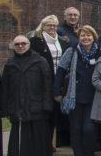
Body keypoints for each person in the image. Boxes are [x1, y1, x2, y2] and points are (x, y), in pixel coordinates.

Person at [0, 35, 53, 156]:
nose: (20, 46)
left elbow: (47, 84)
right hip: (17, 105)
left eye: (23, 43)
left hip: (35, 104)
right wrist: (5, 108)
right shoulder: (10, 63)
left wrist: (47, 105)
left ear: (28, 45)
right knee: (18, 135)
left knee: (35, 136)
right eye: (17, 44)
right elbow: (5, 87)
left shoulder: (40, 61)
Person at [54, 26, 101, 156]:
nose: (86, 38)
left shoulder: (100, 52)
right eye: (83, 36)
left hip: (93, 97)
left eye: (88, 35)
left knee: (89, 130)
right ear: (79, 37)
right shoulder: (72, 51)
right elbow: (60, 71)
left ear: (93, 37)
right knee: (76, 130)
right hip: (74, 97)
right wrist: (56, 92)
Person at [28, 14, 70, 148]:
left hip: (60, 81)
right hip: (43, 81)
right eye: (49, 25)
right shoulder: (35, 41)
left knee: (58, 113)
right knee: (46, 113)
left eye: (54, 25)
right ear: (43, 26)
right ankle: (44, 143)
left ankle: (57, 142)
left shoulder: (62, 41)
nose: (52, 28)